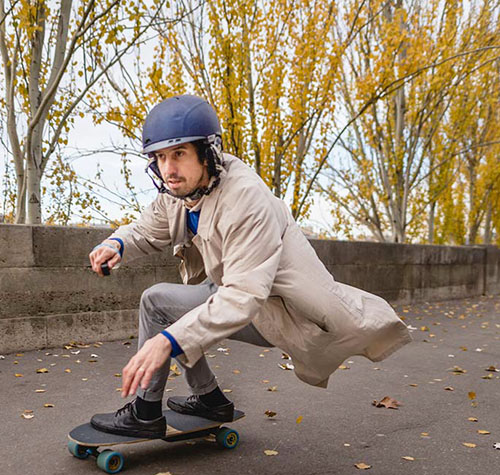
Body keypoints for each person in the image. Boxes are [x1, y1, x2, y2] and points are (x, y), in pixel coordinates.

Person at [89, 94, 411, 439]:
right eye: (161, 157)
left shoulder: (246, 198)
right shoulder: (180, 192)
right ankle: (210, 400)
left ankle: (145, 411)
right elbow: (145, 229)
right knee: (161, 304)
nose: (168, 169)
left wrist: (166, 341)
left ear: (207, 151)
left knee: (171, 322)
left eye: (179, 154)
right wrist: (116, 243)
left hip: (280, 311)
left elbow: (244, 296)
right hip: (237, 293)